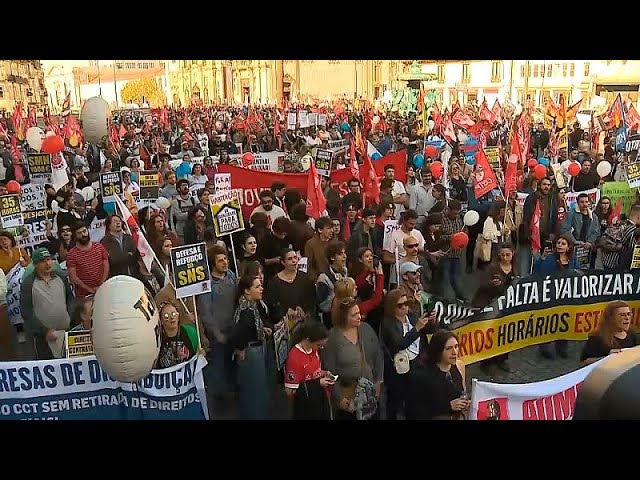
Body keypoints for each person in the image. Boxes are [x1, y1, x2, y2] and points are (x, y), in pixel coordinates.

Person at [321, 299, 383, 420]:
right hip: (349, 396)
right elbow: (330, 370)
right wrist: (339, 397)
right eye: (354, 315)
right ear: (344, 317)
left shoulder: (366, 329)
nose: (359, 316)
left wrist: (379, 381)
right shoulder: (333, 338)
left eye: (359, 313)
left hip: (370, 393)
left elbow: (378, 355)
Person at [380, 289, 436, 420]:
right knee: (395, 401)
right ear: (392, 307)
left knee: (415, 400)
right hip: (400, 367)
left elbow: (429, 330)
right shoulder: (387, 323)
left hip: (418, 361)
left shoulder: (411, 316)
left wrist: (432, 321)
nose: (405, 307)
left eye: (406, 303)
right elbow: (398, 343)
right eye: (400, 305)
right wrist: (416, 328)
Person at [228, 274, 273, 420]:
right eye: (257, 287)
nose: (261, 289)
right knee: (255, 392)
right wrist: (240, 348)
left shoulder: (249, 305)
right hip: (252, 353)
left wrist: (260, 330)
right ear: (247, 291)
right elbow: (238, 332)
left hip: (252, 349)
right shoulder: (246, 310)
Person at [197, 245, 238, 403]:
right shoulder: (206, 284)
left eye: (226, 259)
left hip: (233, 328)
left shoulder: (232, 276)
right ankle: (219, 397)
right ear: (213, 263)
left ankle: (231, 389)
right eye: (220, 261)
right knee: (219, 365)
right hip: (218, 333)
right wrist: (216, 333)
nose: (225, 263)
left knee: (231, 363)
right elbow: (205, 312)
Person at [20, 248, 74, 360]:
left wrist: (71, 321)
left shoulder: (61, 277)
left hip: (66, 333)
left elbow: (70, 300)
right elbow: (26, 312)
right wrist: (45, 331)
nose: (47, 263)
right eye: (42, 261)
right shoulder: (28, 283)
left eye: (49, 259)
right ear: (35, 264)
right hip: (43, 339)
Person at [534, 234, 578, 359]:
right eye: (558, 243)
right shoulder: (550, 258)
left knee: (564, 322)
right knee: (549, 321)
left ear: (569, 247)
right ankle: (544, 347)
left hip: (566, 296)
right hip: (551, 295)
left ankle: (561, 347)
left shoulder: (572, 260)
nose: (560, 245)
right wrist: (542, 259)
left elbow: (577, 274)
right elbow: (539, 273)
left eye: (563, 244)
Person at [409, 329, 469, 420]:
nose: (454, 352)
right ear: (438, 350)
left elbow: (462, 392)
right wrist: (447, 406)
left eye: (456, 346)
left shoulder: (459, 365)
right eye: (448, 348)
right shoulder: (423, 375)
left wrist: (465, 403)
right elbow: (416, 409)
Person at [285, 320, 333, 420]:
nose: (321, 348)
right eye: (319, 345)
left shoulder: (314, 350)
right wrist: (317, 383)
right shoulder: (295, 358)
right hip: (305, 408)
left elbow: (313, 371)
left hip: (320, 401)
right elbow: (290, 391)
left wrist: (323, 373)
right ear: (308, 339)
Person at [580, 301, 640, 366]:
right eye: (622, 315)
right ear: (611, 318)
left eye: (629, 314)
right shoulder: (597, 337)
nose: (627, 318)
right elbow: (584, 362)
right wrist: (607, 358)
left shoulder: (632, 334)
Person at [66, 221, 109, 299]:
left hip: (102, 290)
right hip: (84, 296)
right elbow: (74, 277)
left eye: (84, 231)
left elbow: (106, 266)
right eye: (79, 233)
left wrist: (101, 284)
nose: (83, 234)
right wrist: (90, 290)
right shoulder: (71, 254)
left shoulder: (99, 246)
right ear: (75, 236)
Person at [156, 301, 199, 369]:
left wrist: (201, 353)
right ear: (161, 321)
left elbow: (198, 351)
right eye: (166, 316)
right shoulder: (157, 340)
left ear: (178, 316)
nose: (171, 318)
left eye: (173, 314)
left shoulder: (190, 332)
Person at [317, 241, 348, 328]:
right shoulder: (323, 278)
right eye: (340, 254)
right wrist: (337, 297)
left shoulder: (345, 271)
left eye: (344, 253)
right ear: (332, 257)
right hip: (330, 322)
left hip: (345, 317)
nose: (344, 256)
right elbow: (323, 306)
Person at [304, 216, 333, 282]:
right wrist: (315, 279)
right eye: (328, 228)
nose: (332, 231)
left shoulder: (334, 242)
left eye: (332, 228)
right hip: (318, 280)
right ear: (320, 230)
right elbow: (309, 265)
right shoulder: (311, 244)